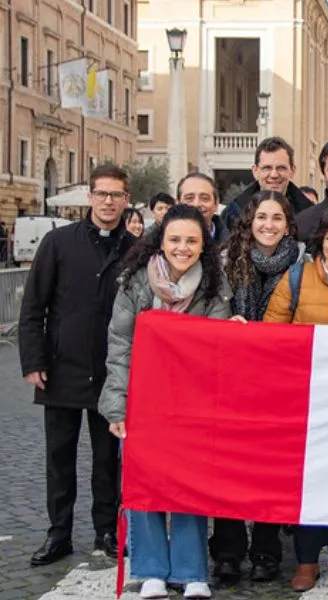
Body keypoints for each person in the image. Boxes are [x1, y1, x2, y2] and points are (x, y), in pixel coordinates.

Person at [99, 204, 232, 600]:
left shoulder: (213, 285)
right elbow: (119, 345)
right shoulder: (135, 283)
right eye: (175, 239)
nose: (183, 247)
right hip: (144, 398)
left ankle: (192, 571)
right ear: (161, 240)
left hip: (193, 402)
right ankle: (151, 567)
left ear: (203, 244)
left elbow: (219, 345)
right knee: (144, 483)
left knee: (191, 485)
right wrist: (116, 405)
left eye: (192, 240)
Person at [18, 164, 137, 567]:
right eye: (102, 194)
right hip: (61, 367)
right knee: (59, 457)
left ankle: (106, 531)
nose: (108, 202)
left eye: (116, 195)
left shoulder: (135, 249)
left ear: (126, 199)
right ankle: (59, 534)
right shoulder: (57, 242)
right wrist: (33, 361)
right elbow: (34, 305)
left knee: (107, 459)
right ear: (90, 197)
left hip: (112, 373)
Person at [264, 205, 328, 592]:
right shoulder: (296, 278)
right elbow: (271, 335)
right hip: (304, 396)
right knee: (307, 481)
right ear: (320, 242)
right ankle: (306, 560)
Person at [208, 191, 304, 583]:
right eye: (261, 217)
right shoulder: (225, 260)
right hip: (233, 378)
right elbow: (211, 308)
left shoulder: (302, 262)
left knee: (272, 468)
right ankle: (227, 549)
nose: (268, 224)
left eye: (277, 218)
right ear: (249, 221)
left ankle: (266, 549)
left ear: (287, 224)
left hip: (283, 379)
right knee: (229, 466)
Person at [224, 137, 315, 230]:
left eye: (281, 168)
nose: (274, 175)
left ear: (292, 171)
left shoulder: (310, 216)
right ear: (255, 171)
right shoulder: (234, 214)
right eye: (267, 168)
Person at [177, 173, 228, 244]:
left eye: (204, 198)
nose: (196, 204)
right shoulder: (160, 247)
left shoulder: (234, 248)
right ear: (178, 204)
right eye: (189, 198)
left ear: (216, 204)